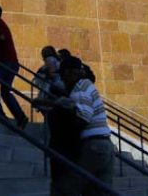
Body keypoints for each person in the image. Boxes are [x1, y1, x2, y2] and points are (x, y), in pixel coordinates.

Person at [50, 55, 114, 196]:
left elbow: (83, 116)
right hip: (106, 145)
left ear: (69, 73)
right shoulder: (87, 86)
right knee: (96, 191)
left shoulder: (79, 88)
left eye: (63, 75)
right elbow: (74, 105)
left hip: (93, 146)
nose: (63, 80)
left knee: (66, 187)